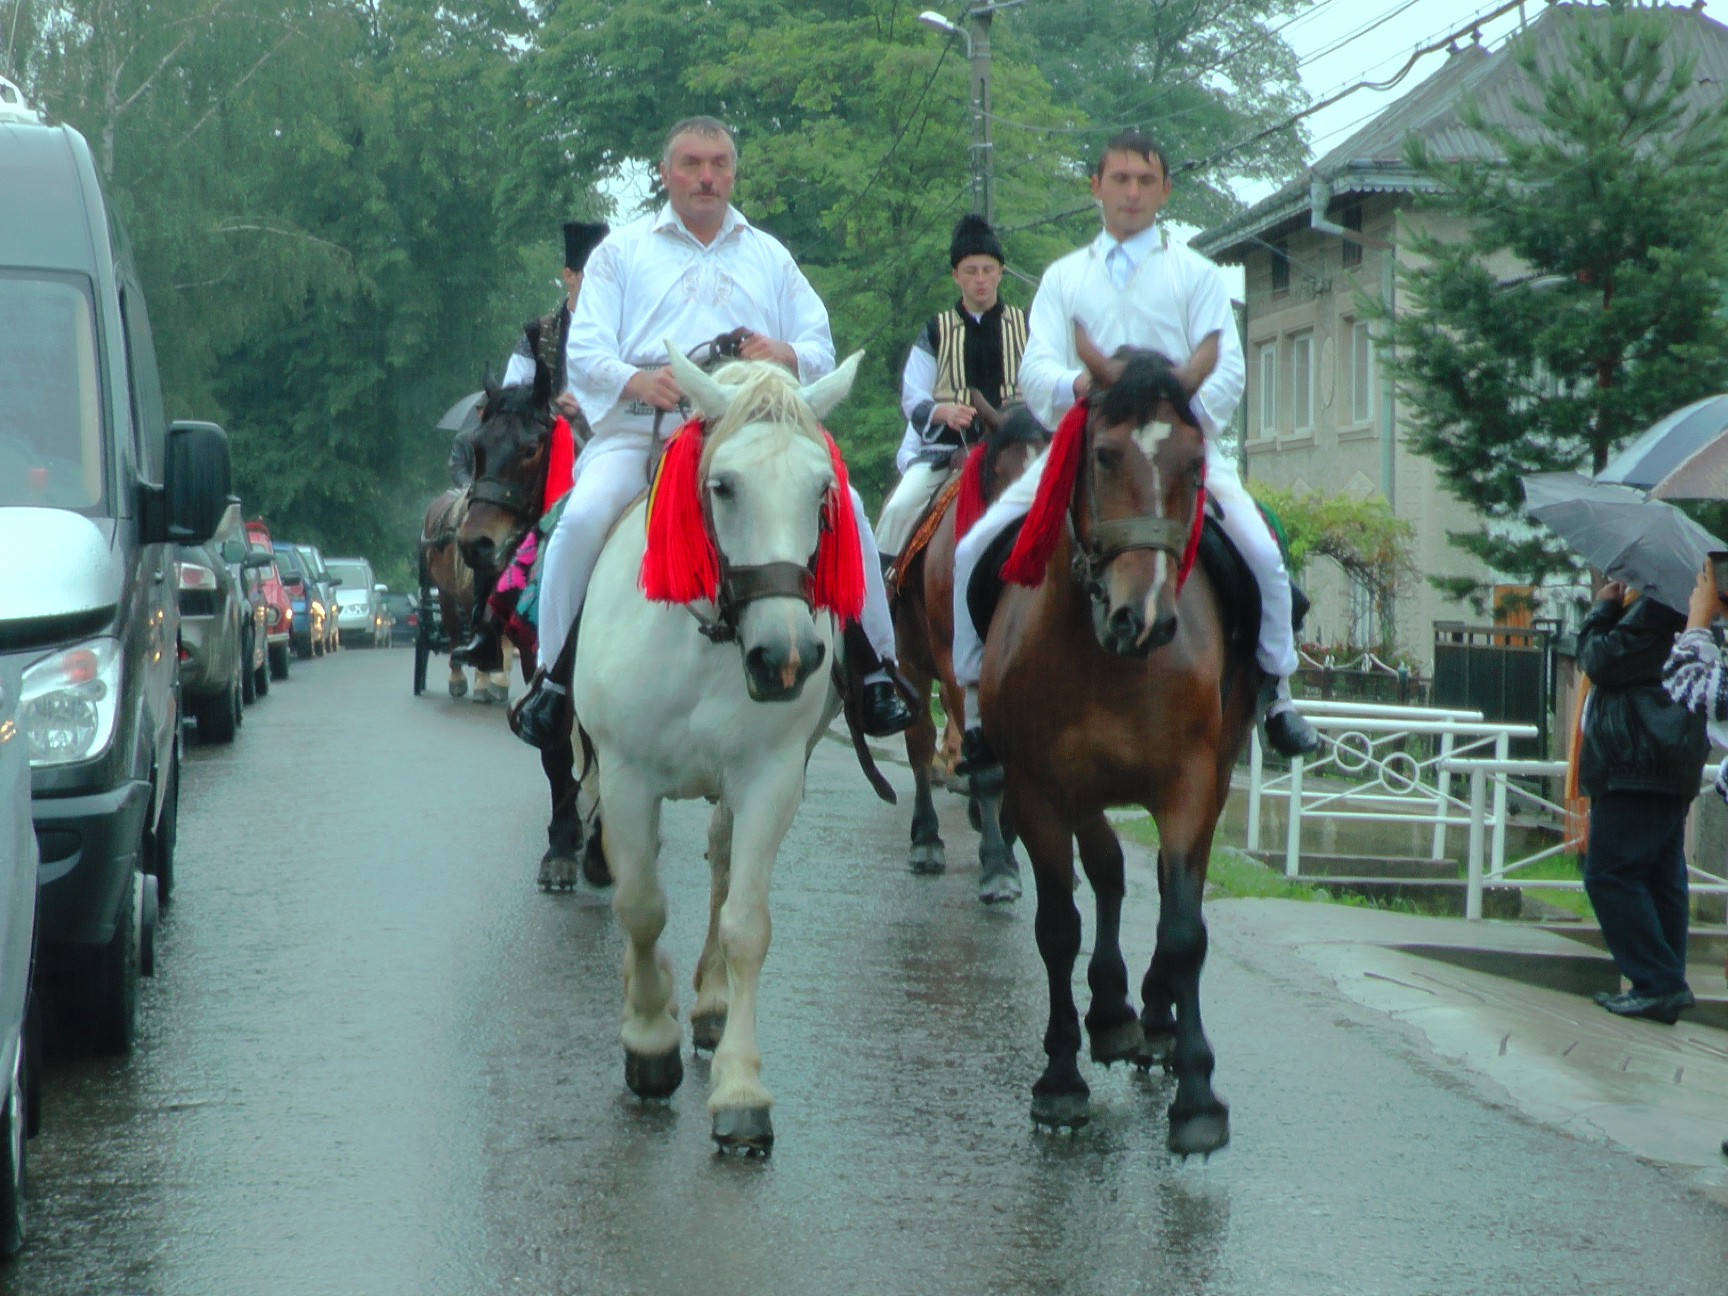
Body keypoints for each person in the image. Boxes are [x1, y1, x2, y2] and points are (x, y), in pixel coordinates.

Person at [513, 116, 913, 747]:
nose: (706, 177)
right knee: (582, 518)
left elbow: (817, 345)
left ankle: (875, 672)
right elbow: (585, 351)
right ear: (665, 172)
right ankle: (553, 680)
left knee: (851, 508)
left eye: (719, 164)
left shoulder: (769, 255)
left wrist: (783, 351)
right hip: (646, 431)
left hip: (753, 434)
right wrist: (637, 382)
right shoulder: (621, 251)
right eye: (692, 164)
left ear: (733, 172)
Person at [949, 131, 1319, 776]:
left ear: (1164, 191)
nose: (1131, 192)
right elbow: (1037, 365)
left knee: (1262, 551)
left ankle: (1278, 695)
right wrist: (1076, 388)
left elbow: (1226, 366)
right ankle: (977, 703)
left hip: (1175, 446)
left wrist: (1175, 406)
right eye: (1118, 179)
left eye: (1145, 181)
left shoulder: (1197, 276)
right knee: (972, 548)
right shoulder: (1065, 277)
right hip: (1084, 447)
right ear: (1096, 187)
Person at [451, 221, 610, 671]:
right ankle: (487, 628)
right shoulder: (538, 333)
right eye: (587, 274)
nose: (597, 283)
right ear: (569, 275)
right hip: (544, 441)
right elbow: (509, 396)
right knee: (490, 504)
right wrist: (552, 405)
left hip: (611, 438)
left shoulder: (627, 329)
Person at [1576, 578, 1706, 1024]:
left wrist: (1601, 611)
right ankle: (1663, 983)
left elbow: (1601, 661)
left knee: (1609, 874)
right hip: (1665, 761)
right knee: (1658, 875)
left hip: (1640, 760)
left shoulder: (1659, 607)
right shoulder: (1692, 608)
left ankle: (1659, 982)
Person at [874, 215, 1028, 559]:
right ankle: (881, 601)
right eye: (971, 271)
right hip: (948, 453)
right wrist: (943, 411)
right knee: (898, 509)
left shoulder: (1026, 326)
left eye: (988, 269)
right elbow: (913, 396)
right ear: (955, 276)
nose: (980, 279)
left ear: (1000, 272)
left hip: (1021, 448)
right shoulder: (936, 330)